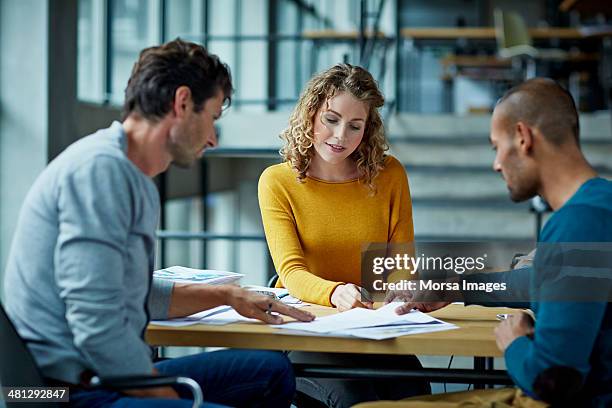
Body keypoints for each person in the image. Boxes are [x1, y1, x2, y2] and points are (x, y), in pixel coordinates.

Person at [3, 38, 314, 408]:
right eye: (212, 117)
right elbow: (96, 322)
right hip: (60, 391)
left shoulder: (130, 174)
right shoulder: (99, 172)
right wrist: (165, 396)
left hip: (100, 376)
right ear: (182, 103)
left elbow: (125, 290)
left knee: (271, 370)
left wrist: (228, 296)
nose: (213, 138)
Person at [368, 78, 612, 407]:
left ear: (524, 138)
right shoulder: (600, 205)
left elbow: (554, 381)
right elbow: (539, 281)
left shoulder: (577, 224)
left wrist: (515, 343)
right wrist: (454, 288)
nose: (497, 164)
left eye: (497, 147)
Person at [258, 63, 429, 407]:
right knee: (354, 398)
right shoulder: (277, 182)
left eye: (355, 126)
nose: (340, 137)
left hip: (372, 323)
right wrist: (335, 292)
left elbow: (401, 260)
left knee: (415, 392)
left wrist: (401, 285)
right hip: (307, 327)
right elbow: (291, 273)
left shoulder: (390, 174)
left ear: (368, 129)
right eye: (331, 120)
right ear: (310, 114)